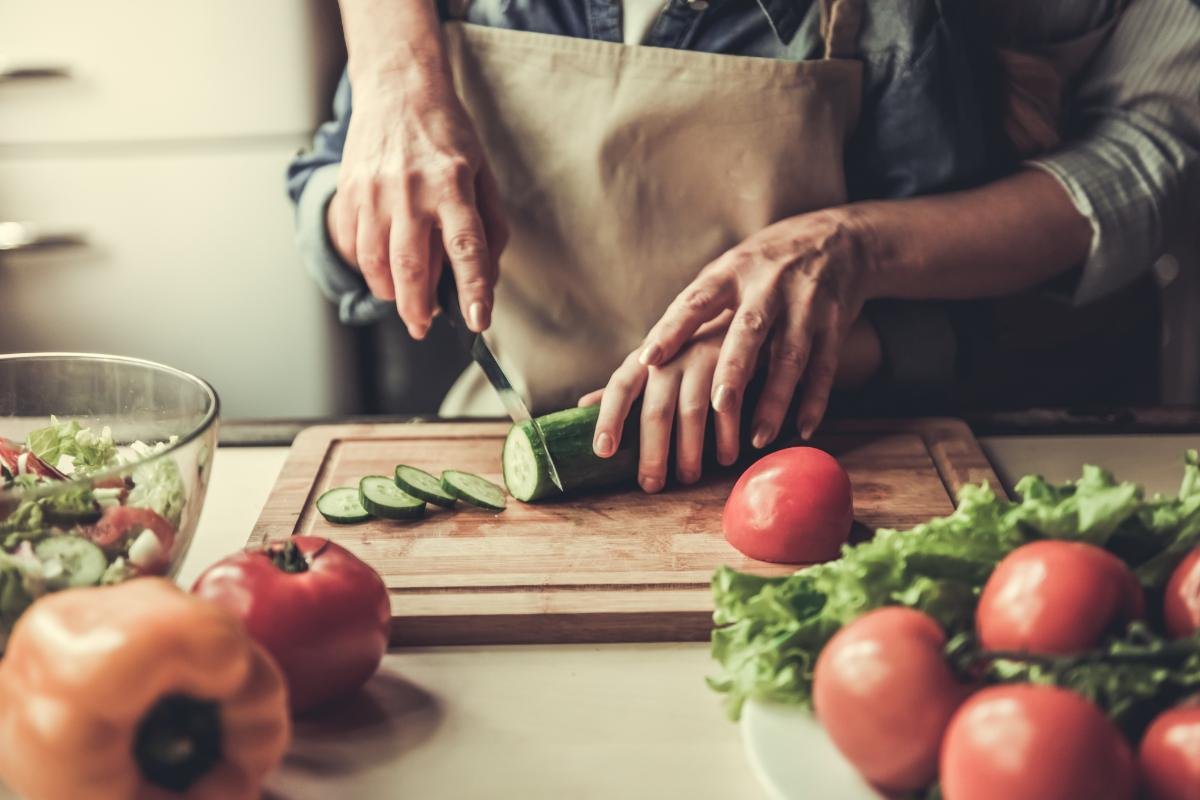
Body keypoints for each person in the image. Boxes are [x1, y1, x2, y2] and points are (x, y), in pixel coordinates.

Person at [288, 0, 1200, 493]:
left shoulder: (891, 26)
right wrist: (377, 205)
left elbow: (960, 315)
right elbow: (328, 225)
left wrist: (833, 314)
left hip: (833, 460)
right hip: (504, 445)